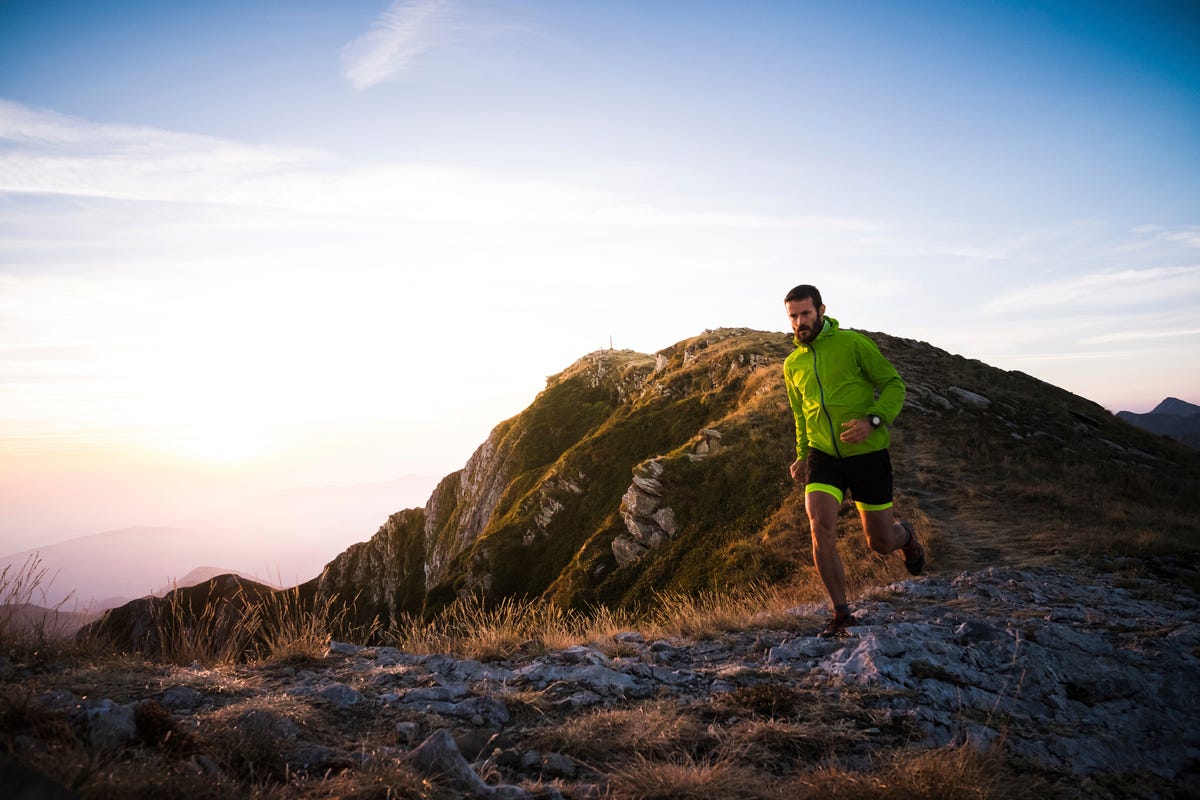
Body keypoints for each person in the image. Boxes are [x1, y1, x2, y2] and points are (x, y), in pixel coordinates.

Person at [782, 284, 925, 639]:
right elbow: (801, 415)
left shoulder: (853, 344)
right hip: (823, 455)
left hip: (867, 454)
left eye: (805, 313)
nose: (800, 322)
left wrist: (873, 420)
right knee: (820, 527)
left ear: (821, 310)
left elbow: (893, 384)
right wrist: (802, 455)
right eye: (793, 316)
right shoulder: (792, 364)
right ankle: (841, 613)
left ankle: (905, 536)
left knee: (879, 543)